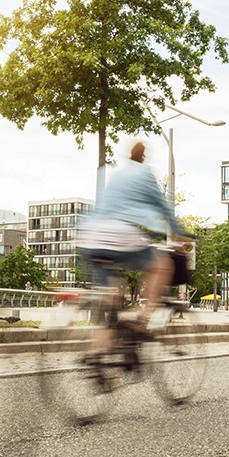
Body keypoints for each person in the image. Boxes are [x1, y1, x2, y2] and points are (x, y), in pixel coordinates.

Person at [79, 141, 189, 334]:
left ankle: (103, 347)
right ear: (143, 157)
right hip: (120, 234)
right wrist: (178, 232)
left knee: (110, 301)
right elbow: (163, 206)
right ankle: (142, 317)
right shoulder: (144, 173)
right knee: (162, 266)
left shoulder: (117, 175)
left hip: (92, 237)